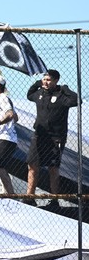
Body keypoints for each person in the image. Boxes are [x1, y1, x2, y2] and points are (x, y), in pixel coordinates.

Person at [26, 69, 78, 207]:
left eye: (49, 80)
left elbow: (76, 100)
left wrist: (65, 88)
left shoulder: (62, 95)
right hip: (39, 136)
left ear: (56, 81)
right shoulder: (40, 93)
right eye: (44, 79)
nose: (46, 82)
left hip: (56, 138)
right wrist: (38, 83)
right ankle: (29, 197)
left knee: (53, 168)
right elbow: (29, 95)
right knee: (32, 165)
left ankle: (54, 200)